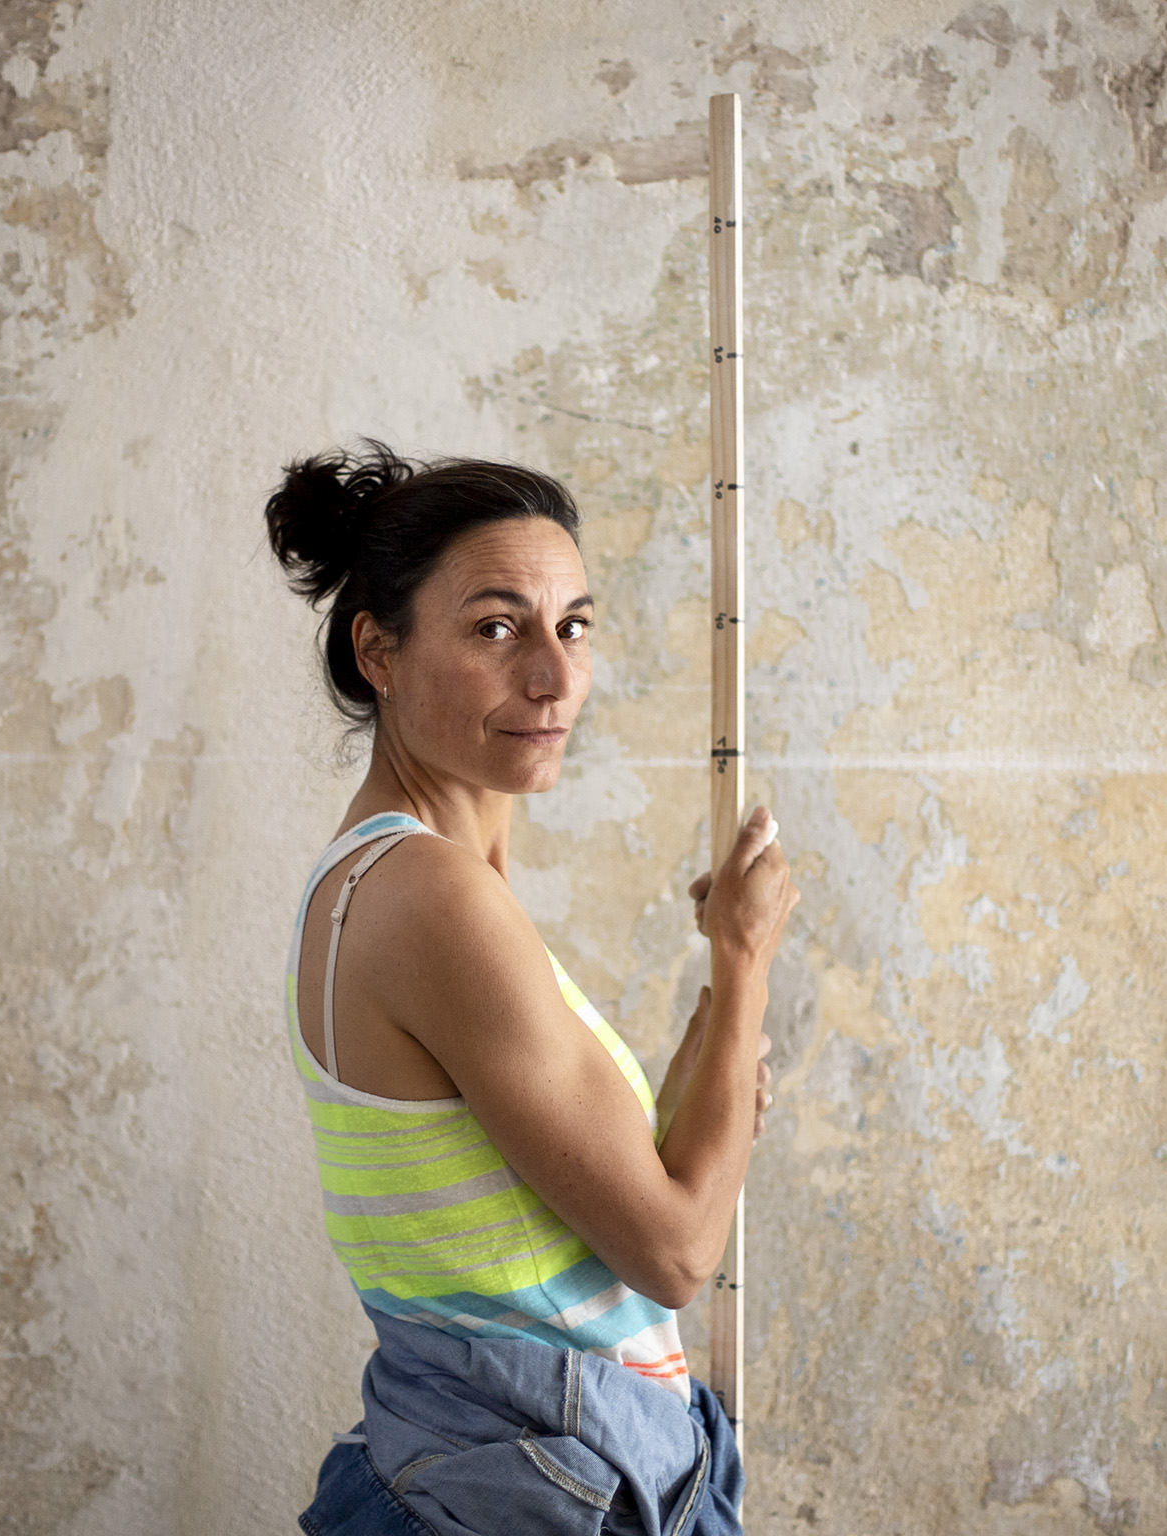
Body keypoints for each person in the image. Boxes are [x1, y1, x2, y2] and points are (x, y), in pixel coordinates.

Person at [266, 443, 799, 1536]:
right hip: (524, 1498)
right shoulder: (432, 899)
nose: (554, 677)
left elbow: (592, 1204)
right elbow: (675, 1252)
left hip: (493, 1470)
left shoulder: (409, 879)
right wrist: (746, 963)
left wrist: (714, 1032)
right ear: (378, 651)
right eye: (497, 629)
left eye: (574, 626)